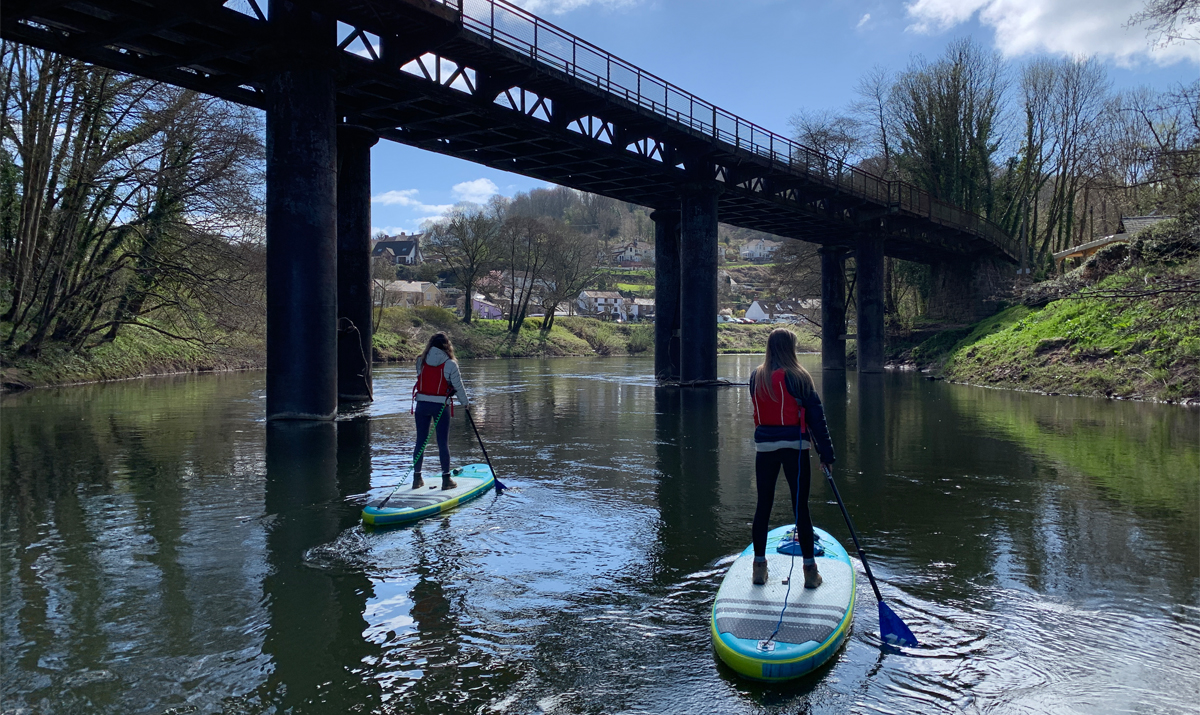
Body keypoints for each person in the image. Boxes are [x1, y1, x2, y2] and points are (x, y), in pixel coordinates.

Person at [749, 328, 835, 588]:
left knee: (763, 506)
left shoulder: (756, 376)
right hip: (795, 448)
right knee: (801, 508)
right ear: (791, 348)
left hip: (765, 447)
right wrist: (826, 454)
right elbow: (817, 419)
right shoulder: (800, 376)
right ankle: (810, 572)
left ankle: (759, 568)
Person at [412, 333, 471, 490]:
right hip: (440, 406)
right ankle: (446, 480)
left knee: (420, 441)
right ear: (447, 346)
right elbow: (457, 386)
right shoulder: (450, 364)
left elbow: (422, 379)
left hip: (422, 405)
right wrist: (465, 403)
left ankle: (416, 479)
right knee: (442, 442)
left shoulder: (420, 361)